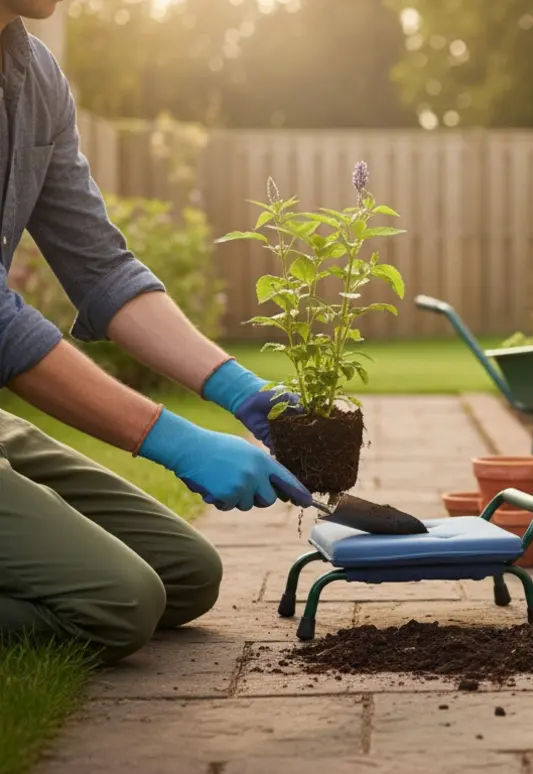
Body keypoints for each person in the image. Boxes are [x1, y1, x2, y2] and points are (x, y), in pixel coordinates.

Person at [0, 1, 313, 663]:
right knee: (120, 604)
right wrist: (171, 438)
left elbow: (101, 269)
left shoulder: (35, 77)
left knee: (184, 576)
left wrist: (240, 391)